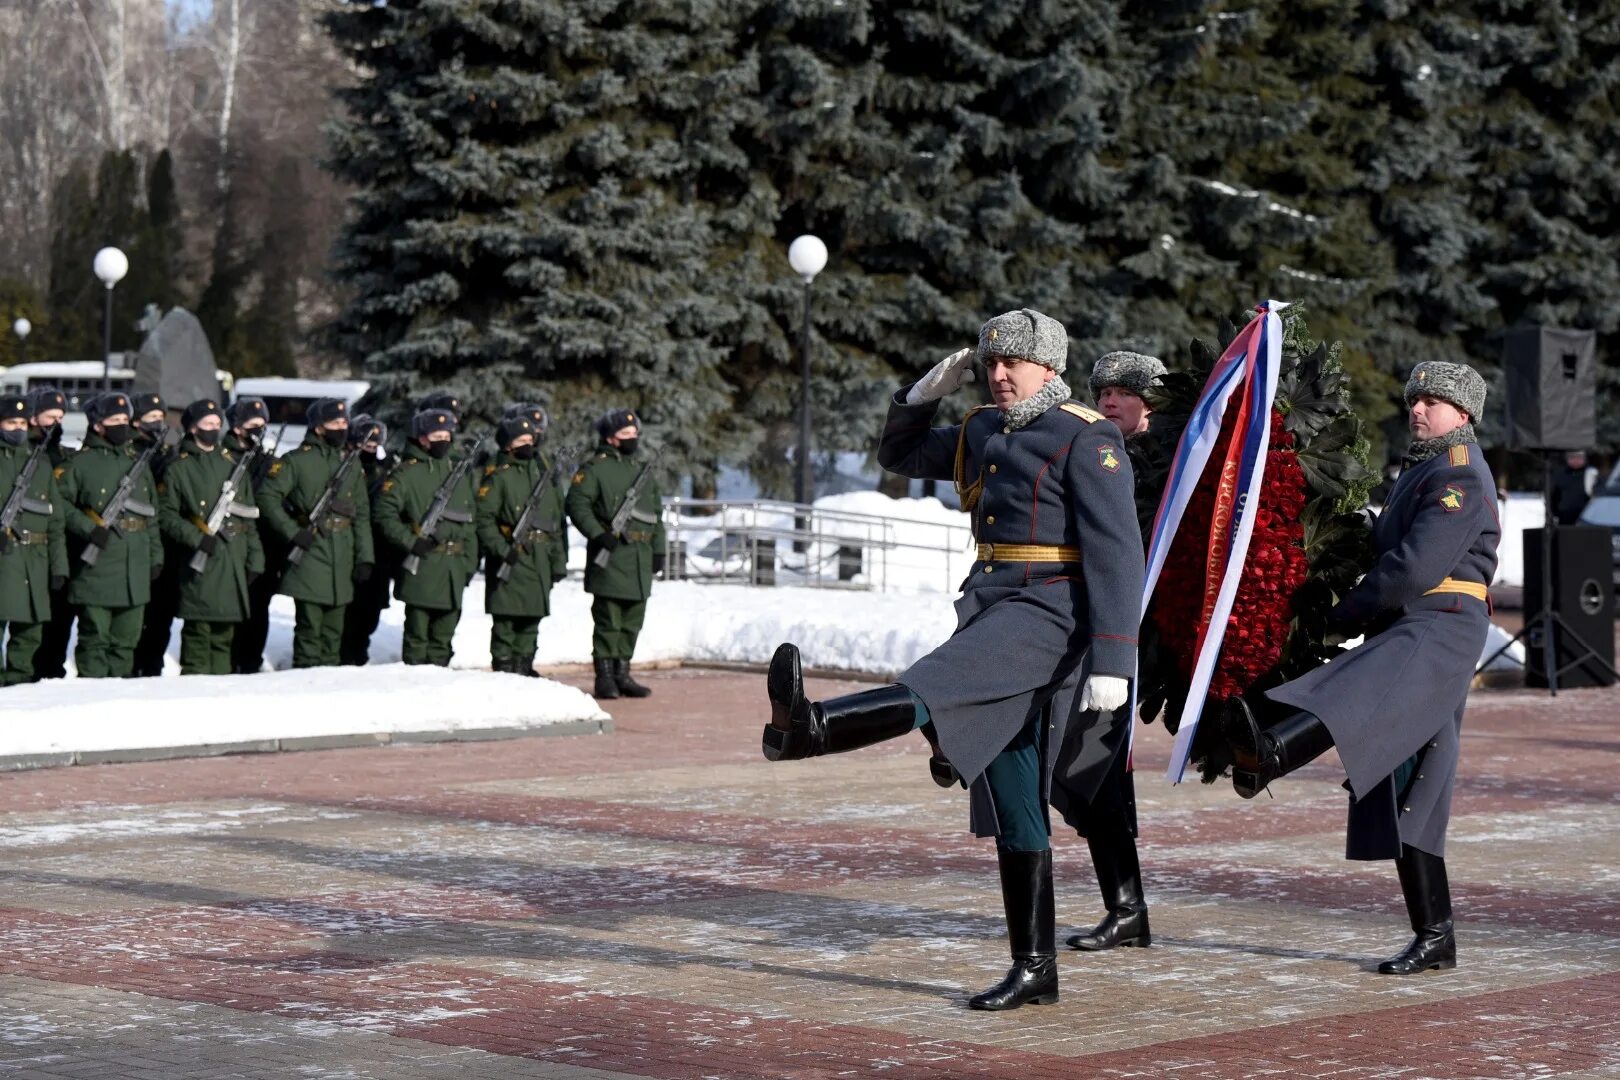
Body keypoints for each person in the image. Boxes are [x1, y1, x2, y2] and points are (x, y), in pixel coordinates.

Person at [762, 309, 1145, 1011]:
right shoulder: (982, 431)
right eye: (991, 363)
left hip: (1052, 614)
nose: (999, 376)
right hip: (993, 605)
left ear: (1050, 369)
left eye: (1014, 364)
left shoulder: (1087, 439)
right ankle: (1036, 970)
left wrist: (1115, 659)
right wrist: (917, 399)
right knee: (1014, 794)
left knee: (936, 682)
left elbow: (1120, 553)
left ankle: (814, 727)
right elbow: (900, 459)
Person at [1223, 360, 1499, 975]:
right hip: (1413, 622)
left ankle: (1272, 751)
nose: (1419, 410)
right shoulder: (1422, 469)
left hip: (1441, 621)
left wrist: (1343, 617)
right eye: (1416, 399)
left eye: (1434, 402)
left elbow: (1413, 567)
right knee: (1413, 786)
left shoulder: (1460, 475)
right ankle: (1436, 937)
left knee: (1360, 690)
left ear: (1465, 415)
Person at [1048, 350, 1167, 955]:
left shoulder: (1171, 465)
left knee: (1096, 767)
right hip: (1085, 633)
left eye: (1124, 391)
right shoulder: (1090, 450)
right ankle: (1127, 910)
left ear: (1152, 403)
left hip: (1127, 642)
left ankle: (1127, 908)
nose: (1109, 400)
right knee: (1090, 770)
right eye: (1103, 391)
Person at [56, 392, 164, 678]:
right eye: (114, 420)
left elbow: (150, 514)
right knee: (95, 641)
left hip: (135, 566)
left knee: (126, 643)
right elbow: (60, 505)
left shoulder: (138, 463)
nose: (122, 425)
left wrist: (155, 555)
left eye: (125, 420)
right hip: (97, 567)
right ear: (98, 425)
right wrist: (88, 528)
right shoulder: (79, 464)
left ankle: (119, 701)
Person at [258, 398, 373, 668]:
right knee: (310, 632)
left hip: (342, 554)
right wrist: (292, 532)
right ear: (319, 427)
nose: (342, 428)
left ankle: (328, 686)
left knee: (334, 635)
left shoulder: (351, 464)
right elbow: (267, 497)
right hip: (310, 552)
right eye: (335, 423)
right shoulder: (296, 461)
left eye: (345, 422)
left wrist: (364, 556)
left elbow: (361, 515)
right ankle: (305, 681)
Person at [156, 398, 265, 674]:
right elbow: (166, 515)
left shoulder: (231, 465)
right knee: (198, 634)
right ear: (193, 428)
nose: (214, 429)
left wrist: (255, 558)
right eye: (207, 424)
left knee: (225, 637)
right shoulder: (178, 468)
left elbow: (248, 516)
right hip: (200, 560)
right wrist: (195, 537)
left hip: (232, 559)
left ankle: (220, 688)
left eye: (217, 424)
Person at [567, 408, 664, 699]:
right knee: (609, 621)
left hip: (639, 560)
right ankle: (605, 677)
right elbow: (577, 505)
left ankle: (623, 674)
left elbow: (656, 515)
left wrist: (659, 550)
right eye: (626, 435)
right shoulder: (595, 469)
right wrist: (599, 534)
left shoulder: (641, 472)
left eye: (635, 434)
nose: (632, 439)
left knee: (633, 621)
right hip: (611, 557)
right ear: (611, 438)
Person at [374, 408, 478, 666]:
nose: (443, 439)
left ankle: (439, 689)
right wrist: (411, 542)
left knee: (444, 638)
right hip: (423, 566)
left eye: (446, 434)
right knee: (417, 639)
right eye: (436, 434)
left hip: (454, 568)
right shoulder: (407, 473)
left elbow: (471, 522)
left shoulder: (459, 473)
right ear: (422, 439)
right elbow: (383, 514)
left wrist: (469, 563)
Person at [476, 414, 568, 675]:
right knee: (506, 622)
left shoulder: (543, 478)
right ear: (507, 445)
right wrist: (502, 549)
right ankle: (505, 670)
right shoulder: (499, 478)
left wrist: (558, 561)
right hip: (511, 557)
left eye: (530, 439)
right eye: (521, 440)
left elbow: (554, 523)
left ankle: (525, 666)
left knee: (532, 620)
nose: (528, 444)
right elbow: (483, 520)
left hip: (539, 558)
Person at [0, 394, 67, 685]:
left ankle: (20, 684)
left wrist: (59, 566)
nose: (17, 428)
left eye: (21, 422)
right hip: (5, 561)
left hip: (36, 561)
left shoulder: (39, 464)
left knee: (29, 633)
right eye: (10, 422)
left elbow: (55, 521)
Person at [225, 397, 279, 673]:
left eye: (262, 424)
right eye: (252, 425)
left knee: (259, 608)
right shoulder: (224, 458)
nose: (258, 429)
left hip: (263, 545)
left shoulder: (268, 462)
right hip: (230, 543)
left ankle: (251, 660)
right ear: (237, 428)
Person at [340, 415, 397, 666]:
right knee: (347, 614)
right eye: (366, 445)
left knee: (369, 615)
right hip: (347, 550)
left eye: (375, 446)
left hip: (378, 553)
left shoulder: (386, 470)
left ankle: (358, 653)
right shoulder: (342, 467)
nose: (371, 450)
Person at [25, 388, 73, 680]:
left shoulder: (62, 454)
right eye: (50, 417)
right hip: (27, 547)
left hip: (58, 549)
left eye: (61, 417)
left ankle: (51, 674)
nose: (57, 422)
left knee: (59, 620)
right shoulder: (23, 451)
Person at [131, 392, 178, 676]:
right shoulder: (133, 453)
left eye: (161, 418)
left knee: (163, 614)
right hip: (141, 541)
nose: (158, 423)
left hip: (167, 543)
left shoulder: (167, 453)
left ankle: (153, 663)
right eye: (151, 418)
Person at [1552, 449, 1597, 525]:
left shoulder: (1591, 473)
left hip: (1585, 519)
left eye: (1579, 457)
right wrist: (1555, 514)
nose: (1576, 460)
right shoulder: (1560, 474)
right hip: (1564, 518)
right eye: (1572, 457)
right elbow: (1553, 496)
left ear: (1584, 459)